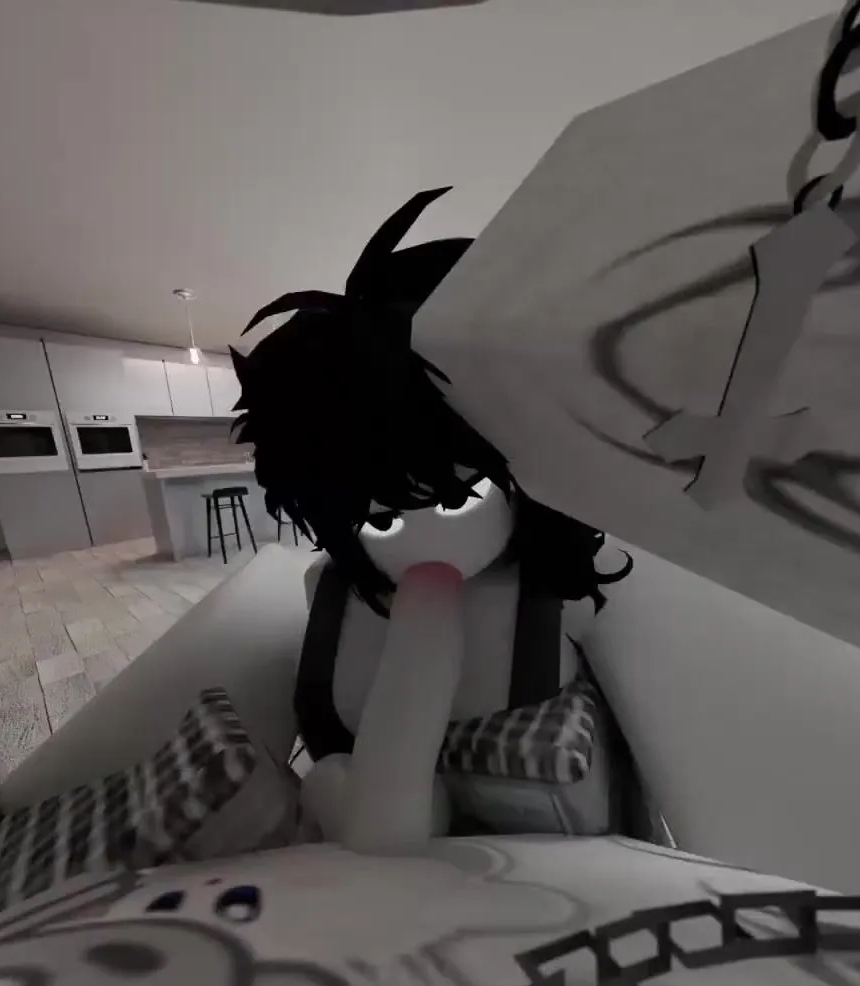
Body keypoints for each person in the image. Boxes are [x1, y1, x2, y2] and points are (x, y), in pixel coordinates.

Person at [228, 188, 637, 846]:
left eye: (456, 500)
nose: (424, 536)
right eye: (380, 521)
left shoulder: (560, 596)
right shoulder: (325, 592)